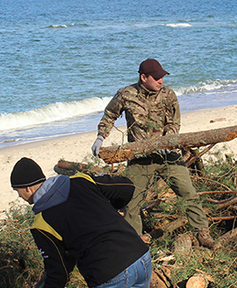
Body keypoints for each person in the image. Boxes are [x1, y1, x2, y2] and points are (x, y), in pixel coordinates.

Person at [11, 157, 164, 288]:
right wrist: (111, 208)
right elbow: (126, 187)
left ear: (28, 189)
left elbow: (58, 272)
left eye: (17, 191)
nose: (19, 196)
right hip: (139, 255)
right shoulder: (80, 180)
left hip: (109, 275)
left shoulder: (41, 223)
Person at [91, 58, 216, 248]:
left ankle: (202, 233)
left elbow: (174, 123)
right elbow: (110, 115)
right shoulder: (126, 95)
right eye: (157, 77)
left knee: (188, 193)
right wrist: (101, 137)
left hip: (168, 155)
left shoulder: (168, 95)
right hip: (140, 158)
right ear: (143, 77)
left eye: (162, 77)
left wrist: (168, 139)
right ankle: (135, 243)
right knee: (131, 203)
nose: (161, 81)